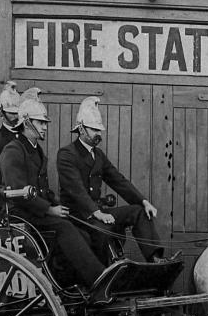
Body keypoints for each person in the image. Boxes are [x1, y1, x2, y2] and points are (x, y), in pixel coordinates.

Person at [0, 91, 106, 288]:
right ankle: (99, 281)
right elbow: (19, 193)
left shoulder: (35, 150)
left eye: (45, 123)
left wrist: (58, 205)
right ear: (27, 122)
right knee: (64, 227)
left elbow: (44, 191)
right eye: (41, 123)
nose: (45, 127)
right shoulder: (13, 150)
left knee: (83, 233)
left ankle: (71, 286)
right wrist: (49, 209)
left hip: (35, 212)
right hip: (21, 215)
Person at [57, 96, 167, 264]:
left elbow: (118, 180)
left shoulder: (98, 155)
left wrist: (143, 201)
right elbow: (76, 190)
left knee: (138, 212)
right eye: (94, 130)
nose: (98, 134)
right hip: (78, 215)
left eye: (99, 130)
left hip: (98, 212)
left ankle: (155, 259)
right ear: (81, 129)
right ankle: (105, 274)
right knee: (103, 229)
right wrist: (97, 213)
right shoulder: (67, 154)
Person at [0, 80, 21, 155]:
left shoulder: (26, 137)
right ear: (2, 114)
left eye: (17, 113)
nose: (16, 116)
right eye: (11, 113)